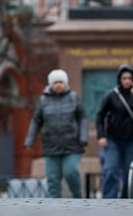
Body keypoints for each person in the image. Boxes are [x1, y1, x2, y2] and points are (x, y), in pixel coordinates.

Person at [24, 69, 88, 198]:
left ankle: (78, 198)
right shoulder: (43, 100)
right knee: (53, 179)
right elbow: (36, 120)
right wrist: (29, 140)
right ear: (50, 84)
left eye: (61, 82)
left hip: (72, 145)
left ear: (65, 83)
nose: (58, 85)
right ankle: (54, 208)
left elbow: (82, 118)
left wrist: (83, 137)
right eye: (55, 82)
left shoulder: (73, 98)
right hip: (51, 146)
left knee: (70, 172)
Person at [95, 64, 133, 198]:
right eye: (124, 78)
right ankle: (109, 202)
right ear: (119, 79)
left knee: (130, 174)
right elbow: (100, 115)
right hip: (113, 140)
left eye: (130, 78)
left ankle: (126, 202)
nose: (127, 81)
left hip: (131, 141)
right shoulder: (111, 96)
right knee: (110, 170)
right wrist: (101, 135)